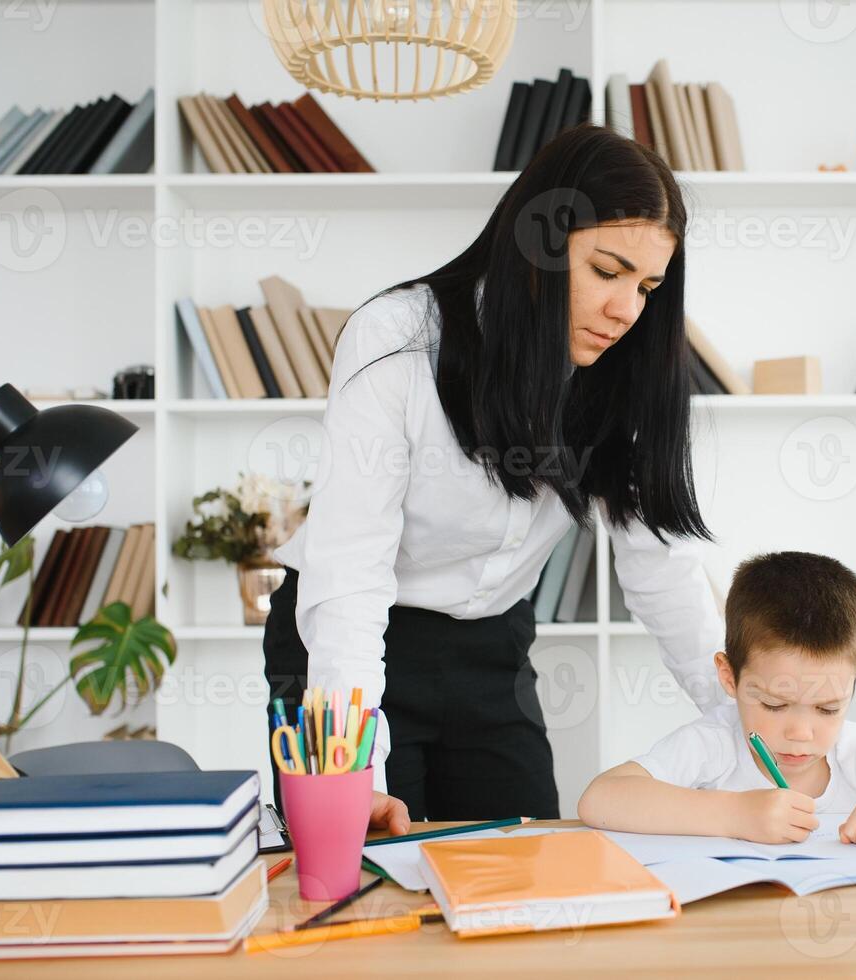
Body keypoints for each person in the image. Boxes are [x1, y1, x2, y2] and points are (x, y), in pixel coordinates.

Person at [263, 125, 727, 832]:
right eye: (607, 272)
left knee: (521, 871)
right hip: (351, 637)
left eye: (648, 287)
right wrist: (350, 768)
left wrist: (755, 724)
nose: (628, 311)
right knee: (367, 874)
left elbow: (666, 572)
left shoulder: (623, 371)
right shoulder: (399, 339)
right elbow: (351, 574)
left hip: (493, 648)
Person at [578, 552, 856, 847]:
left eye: (828, 708)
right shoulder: (715, 742)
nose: (801, 732)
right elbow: (601, 799)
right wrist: (735, 813)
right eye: (774, 704)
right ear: (729, 676)